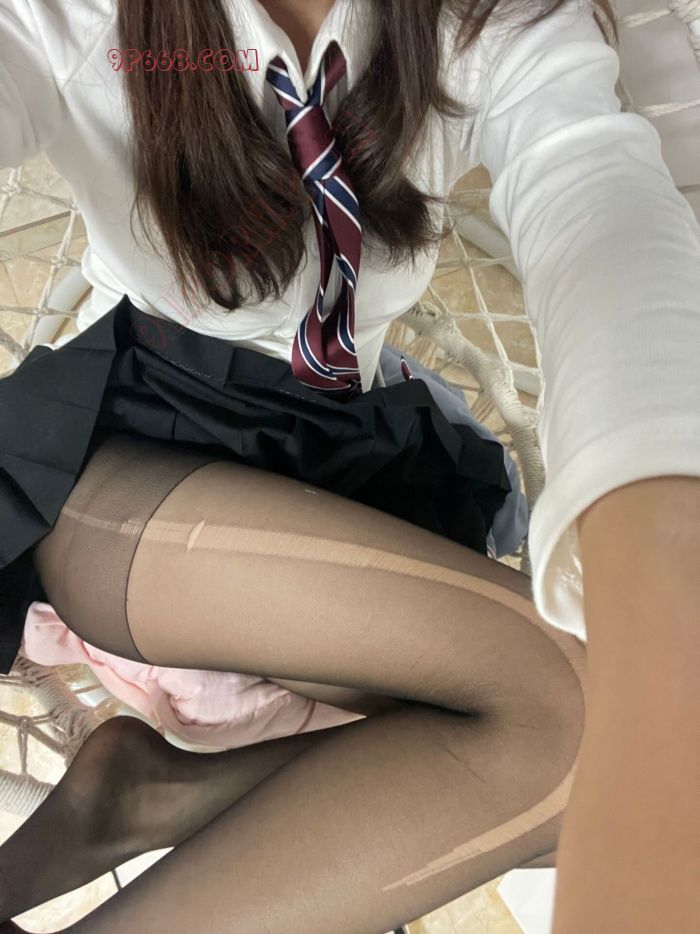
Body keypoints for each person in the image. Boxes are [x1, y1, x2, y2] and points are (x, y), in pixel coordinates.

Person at [0, 1, 697, 931]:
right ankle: (148, 796)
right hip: (132, 449)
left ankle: (152, 793)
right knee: (576, 721)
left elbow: (598, 201)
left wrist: (659, 546)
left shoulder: (483, 22)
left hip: (345, 448)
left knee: (574, 743)